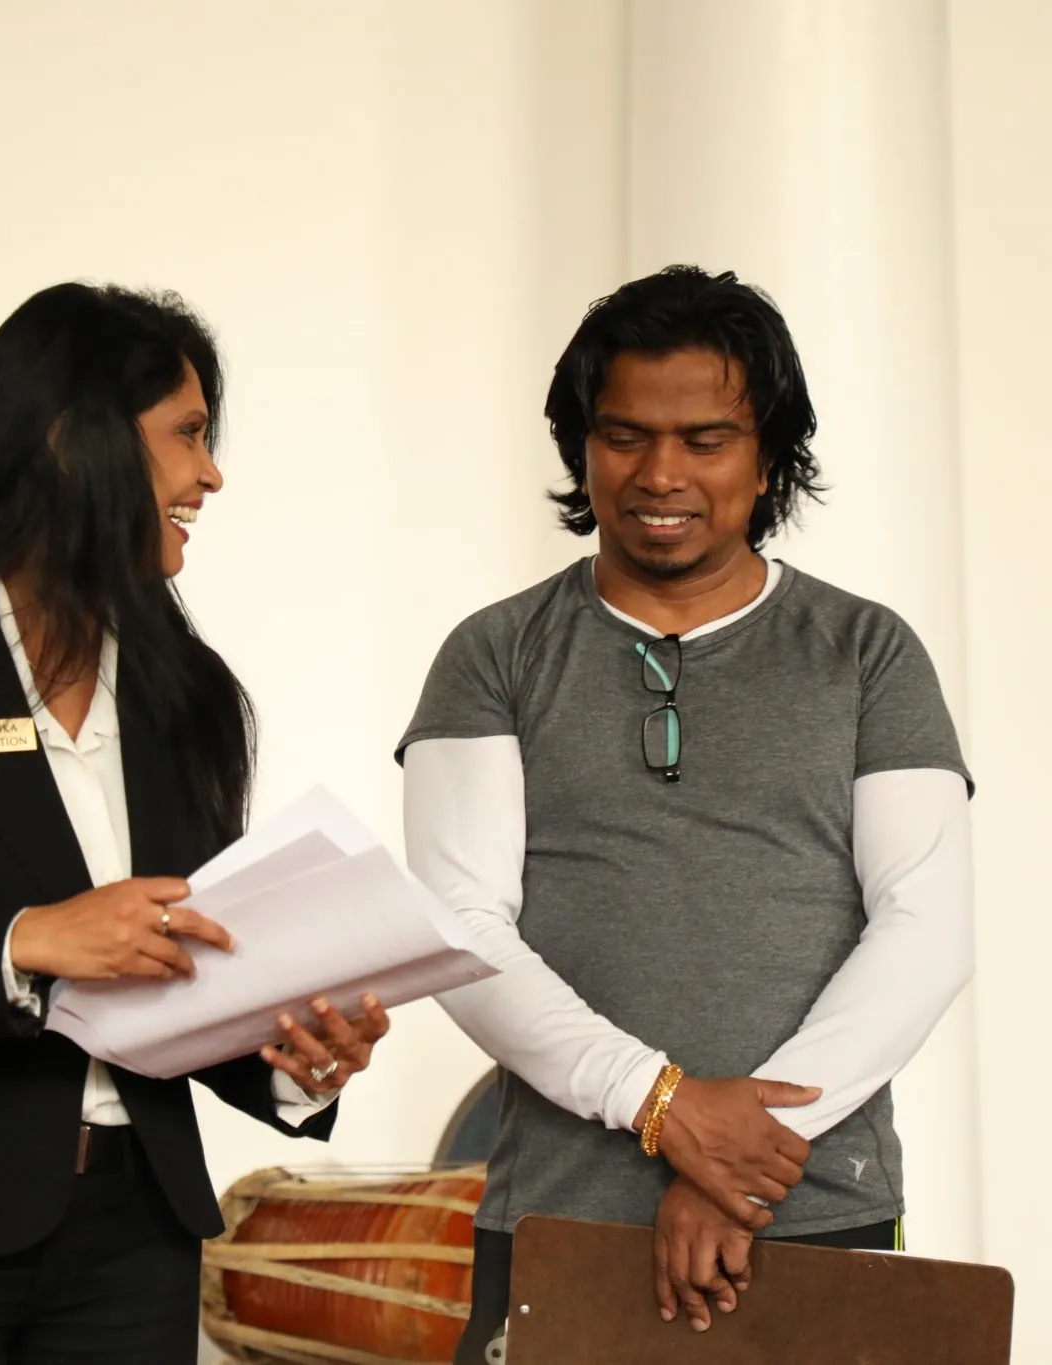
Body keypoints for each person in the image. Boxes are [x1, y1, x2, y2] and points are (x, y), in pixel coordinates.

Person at [0, 281, 390, 1364]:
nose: (210, 475)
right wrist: (24, 940)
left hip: (133, 1240)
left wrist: (294, 1057)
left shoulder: (186, 690)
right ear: (67, 439)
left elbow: (179, 964)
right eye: (187, 434)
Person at [397, 266, 974, 1361]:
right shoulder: (493, 655)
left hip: (816, 1204)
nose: (660, 474)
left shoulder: (868, 653)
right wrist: (663, 1104)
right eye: (624, 436)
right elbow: (458, 932)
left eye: (706, 440)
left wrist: (742, 1161)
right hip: (563, 1214)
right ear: (581, 447)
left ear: (768, 456)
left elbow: (926, 928)